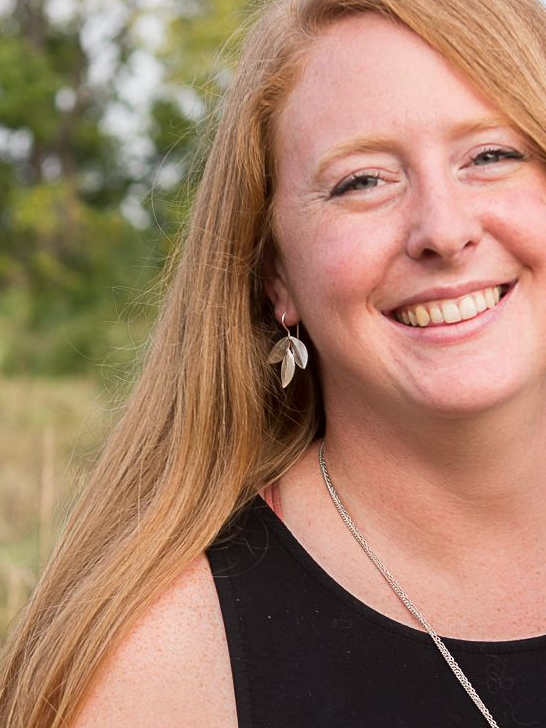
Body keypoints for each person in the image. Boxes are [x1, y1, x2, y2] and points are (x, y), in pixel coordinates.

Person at [3, 0, 546, 724]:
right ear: (276, 278)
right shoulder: (160, 671)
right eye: (363, 181)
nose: (443, 231)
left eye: (492, 155)